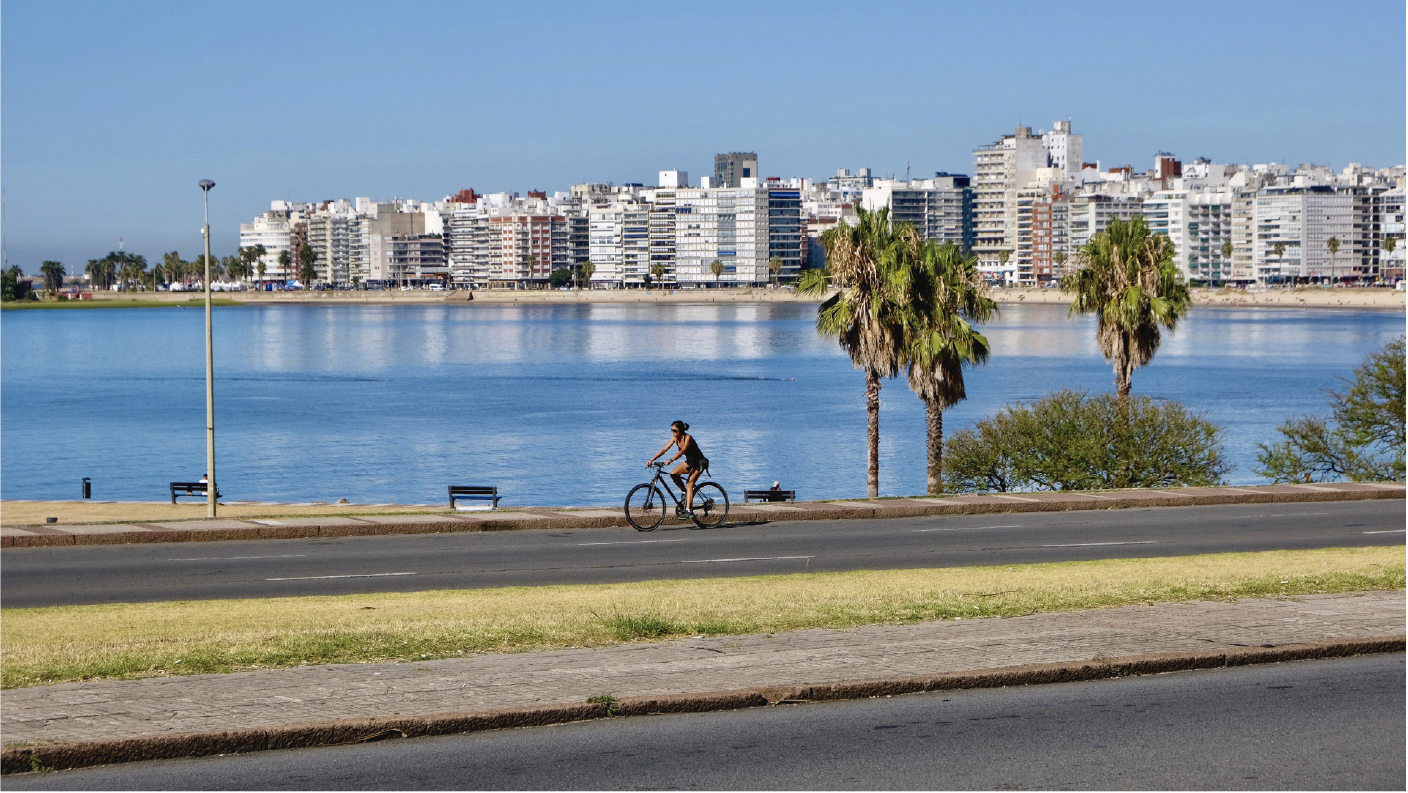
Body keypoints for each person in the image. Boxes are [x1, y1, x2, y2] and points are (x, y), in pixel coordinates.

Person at [648, 420, 708, 518]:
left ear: (680, 430)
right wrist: (652, 459)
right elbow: (664, 449)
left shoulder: (688, 438)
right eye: (672, 430)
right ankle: (684, 493)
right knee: (673, 474)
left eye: (675, 430)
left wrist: (670, 460)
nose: (673, 432)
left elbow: (682, 451)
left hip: (699, 462)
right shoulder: (675, 438)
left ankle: (689, 510)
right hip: (690, 462)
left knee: (689, 484)